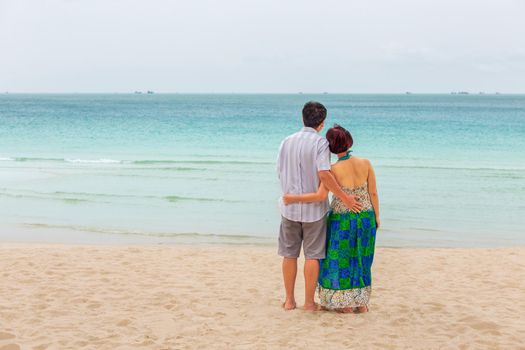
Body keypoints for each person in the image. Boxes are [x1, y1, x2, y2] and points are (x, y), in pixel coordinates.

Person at [283, 124, 379, 313]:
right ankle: (361, 303)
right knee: (362, 259)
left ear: (331, 147)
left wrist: (291, 198)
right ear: (349, 140)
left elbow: (320, 196)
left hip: (341, 220)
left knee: (338, 259)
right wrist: (376, 216)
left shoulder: (332, 170)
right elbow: (373, 193)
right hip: (366, 216)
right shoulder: (366, 163)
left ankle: (344, 305)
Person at [277, 102, 362, 311]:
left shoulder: (286, 141)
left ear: (302, 118)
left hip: (289, 208)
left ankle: (289, 301)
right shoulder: (320, 144)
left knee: (290, 254)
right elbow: (324, 173)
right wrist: (346, 198)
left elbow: (279, 171)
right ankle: (308, 303)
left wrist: (292, 195)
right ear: (321, 123)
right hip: (314, 212)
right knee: (312, 256)